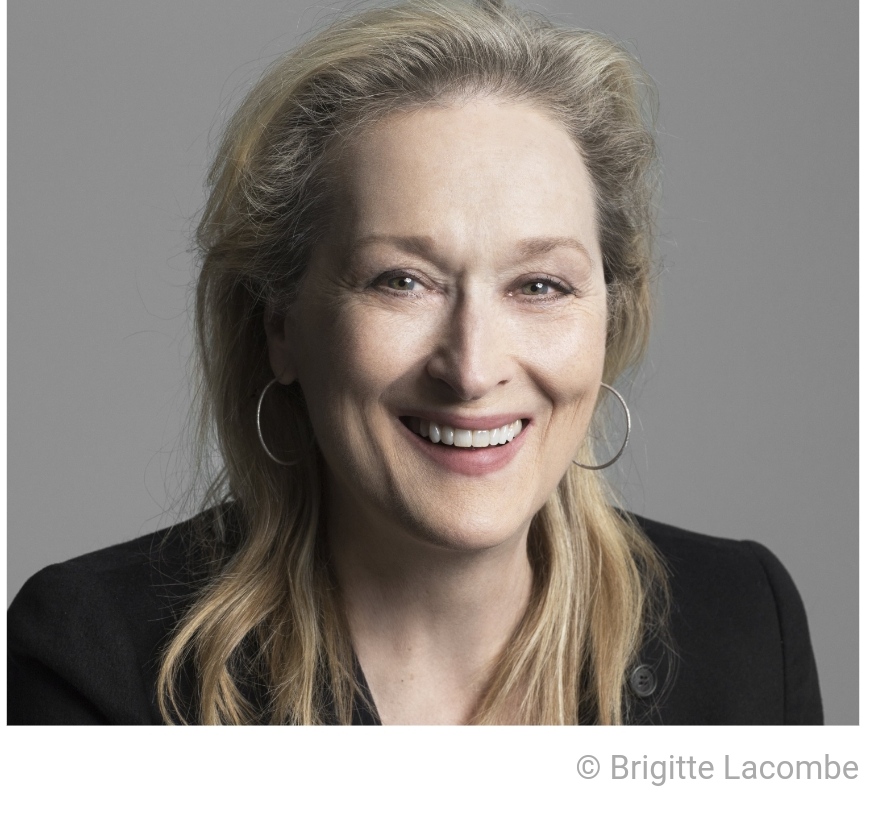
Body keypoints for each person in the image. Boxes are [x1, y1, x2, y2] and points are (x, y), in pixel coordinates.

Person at [7, 0, 822, 725]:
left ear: (612, 316)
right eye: (401, 281)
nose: (471, 369)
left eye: (539, 285)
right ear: (280, 325)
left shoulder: (743, 622)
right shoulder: (95, 659)